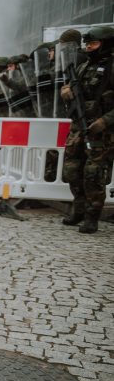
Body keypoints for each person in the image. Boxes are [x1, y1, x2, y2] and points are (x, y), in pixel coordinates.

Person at [60, 25, 114, 234]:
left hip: (102, 131)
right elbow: (75, 93)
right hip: (79, 127)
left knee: (93, 174)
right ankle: (79, 209)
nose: (89, 47)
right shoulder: (83, 67)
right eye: (87, 44)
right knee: (72, 170)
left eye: (93, 44)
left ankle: (92, 216)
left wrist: (105, 121)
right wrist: (67, 93)